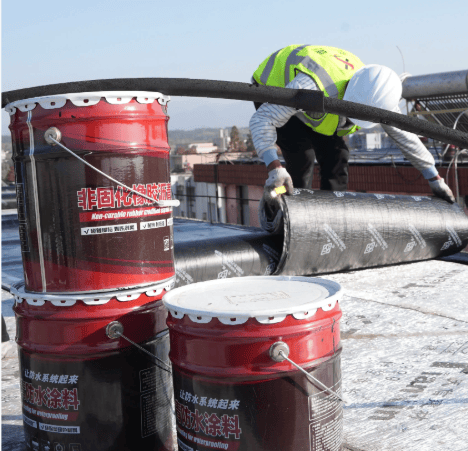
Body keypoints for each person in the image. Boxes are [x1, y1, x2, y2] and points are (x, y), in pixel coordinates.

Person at [249, 44, 455, 203]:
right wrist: (274, 167)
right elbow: (262, 119)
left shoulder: (379, 97)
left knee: (337, 156)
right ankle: (291, 214)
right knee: (302, 156)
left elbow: (405, 137)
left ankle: (332, 218)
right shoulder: (314, 86)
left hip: (315, 104)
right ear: (348, 97)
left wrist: (434, 178)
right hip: (274, 87)